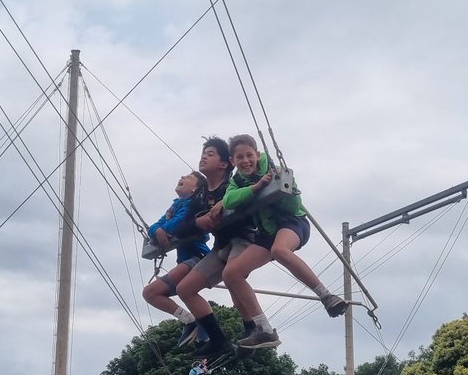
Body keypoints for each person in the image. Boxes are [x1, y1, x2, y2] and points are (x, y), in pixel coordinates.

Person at [220, 134, 348, 349]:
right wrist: (256, 187)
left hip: (292, 223)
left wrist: (278, 183)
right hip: (266, 232)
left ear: (257, 154)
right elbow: (229, 200)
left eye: (249, 155)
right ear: (233, 161)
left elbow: (293, 203)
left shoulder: (274, 169)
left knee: (280, 250)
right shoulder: (237, 181)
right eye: (240, 157)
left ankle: (326, 296)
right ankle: (264, 329)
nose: (245, 161)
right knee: (230, 274)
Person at [176, 137, 258, 358]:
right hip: (221, 246)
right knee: (185, 288)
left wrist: (225, 203)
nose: (203, 156)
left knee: (232, 275)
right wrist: (197, 222)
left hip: (244, 239)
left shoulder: (233, 183)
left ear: (224, 163)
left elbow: (253, 189)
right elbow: (182, 227)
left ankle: (253, 328)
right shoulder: (201, 194)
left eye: (210, 153)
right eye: (203, 152)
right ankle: (218, 340)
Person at [143, 171, 212, 346]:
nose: (182, 177)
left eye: (188, 177)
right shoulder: (175, 206)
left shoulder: (194, 206)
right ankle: (190, 320)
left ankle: (203, 325)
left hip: (198, 257)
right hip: (185, 261)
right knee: (150, 293)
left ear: (195, 189)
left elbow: (177, 226)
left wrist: (162, 229)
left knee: (181, 290)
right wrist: (158, 230)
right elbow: (154, 227)